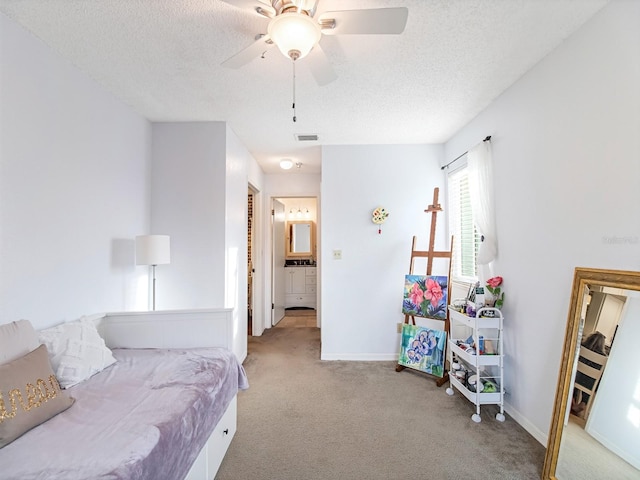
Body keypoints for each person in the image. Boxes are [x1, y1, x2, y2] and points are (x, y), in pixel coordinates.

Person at [571, 331, 607, 417]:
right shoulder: (603, 358)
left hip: (576, 378)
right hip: (589, 384)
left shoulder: (581, 348)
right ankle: (583, 403)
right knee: (595, 379)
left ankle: (572, 399)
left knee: (576, 372)